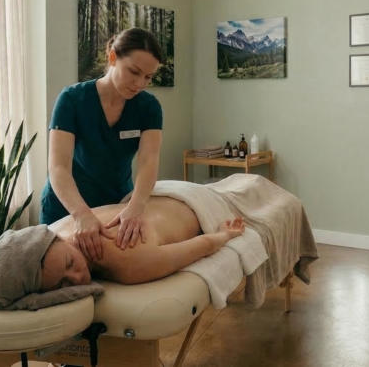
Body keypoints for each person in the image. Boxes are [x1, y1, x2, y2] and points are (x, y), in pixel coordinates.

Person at [40, 27, 165, 263]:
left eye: (148, 77)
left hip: (115, 208)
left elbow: (149, 162)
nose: (140, 83)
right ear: (112, 58)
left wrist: (136, 208)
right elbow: (58, 167)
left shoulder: (149, 107)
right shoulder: (72, 100)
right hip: (67, 207)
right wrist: (81, 214)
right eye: (134, 72)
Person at [40, 197, 246, 290]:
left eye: (69, 263)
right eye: (62, 284)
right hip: (155, 192)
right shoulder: (52, 232)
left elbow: (205, 245)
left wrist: (224, 234)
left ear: (63, 241)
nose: (76, 278)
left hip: (198, 200)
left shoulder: (127, 260)